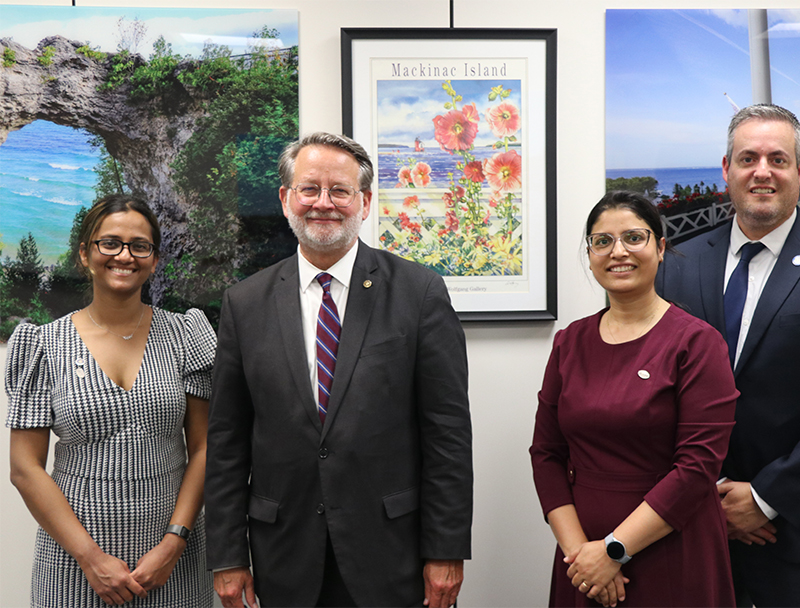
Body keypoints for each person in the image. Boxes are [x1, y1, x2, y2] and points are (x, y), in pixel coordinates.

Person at [204, 132, 473, 608]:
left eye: (340, 190)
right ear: (286, 199)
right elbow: (227, 440)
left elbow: (447, 434)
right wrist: (227, 555)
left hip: (391, 552)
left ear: (364, 202)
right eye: (309, 189)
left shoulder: (419, 293)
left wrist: (446, 549)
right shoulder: (244, 303)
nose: (323, 203)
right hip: (283, 554)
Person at [657, 104, 800, 607]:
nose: (762, 171)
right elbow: (655, 390)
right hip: (693, 523)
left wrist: (765, 499)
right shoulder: (676, 264)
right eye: (748, 158)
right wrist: (707, 494)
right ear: (727, 169)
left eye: (778, 159)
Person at [530, 190, 739, 607]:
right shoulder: (569, 343)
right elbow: (546, 454)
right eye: (602, 241)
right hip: (584, 560)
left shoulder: (697, 343)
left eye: (634, 237)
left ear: (660, 248)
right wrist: (581, 557)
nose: (617, 251)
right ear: (589, 254)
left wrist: (614, 550)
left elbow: (697, 467)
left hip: (671, 548)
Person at [6, 194, 216, 607]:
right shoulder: (43, 345)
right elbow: (25, 469)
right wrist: (91, 559)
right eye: (110, 243)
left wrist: (174, 542)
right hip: (74, 563)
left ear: (154, 260)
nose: (125, 255)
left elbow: (206, 448)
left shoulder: (185, 334)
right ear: (85, 254)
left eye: (140, 246)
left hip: (173, 559)